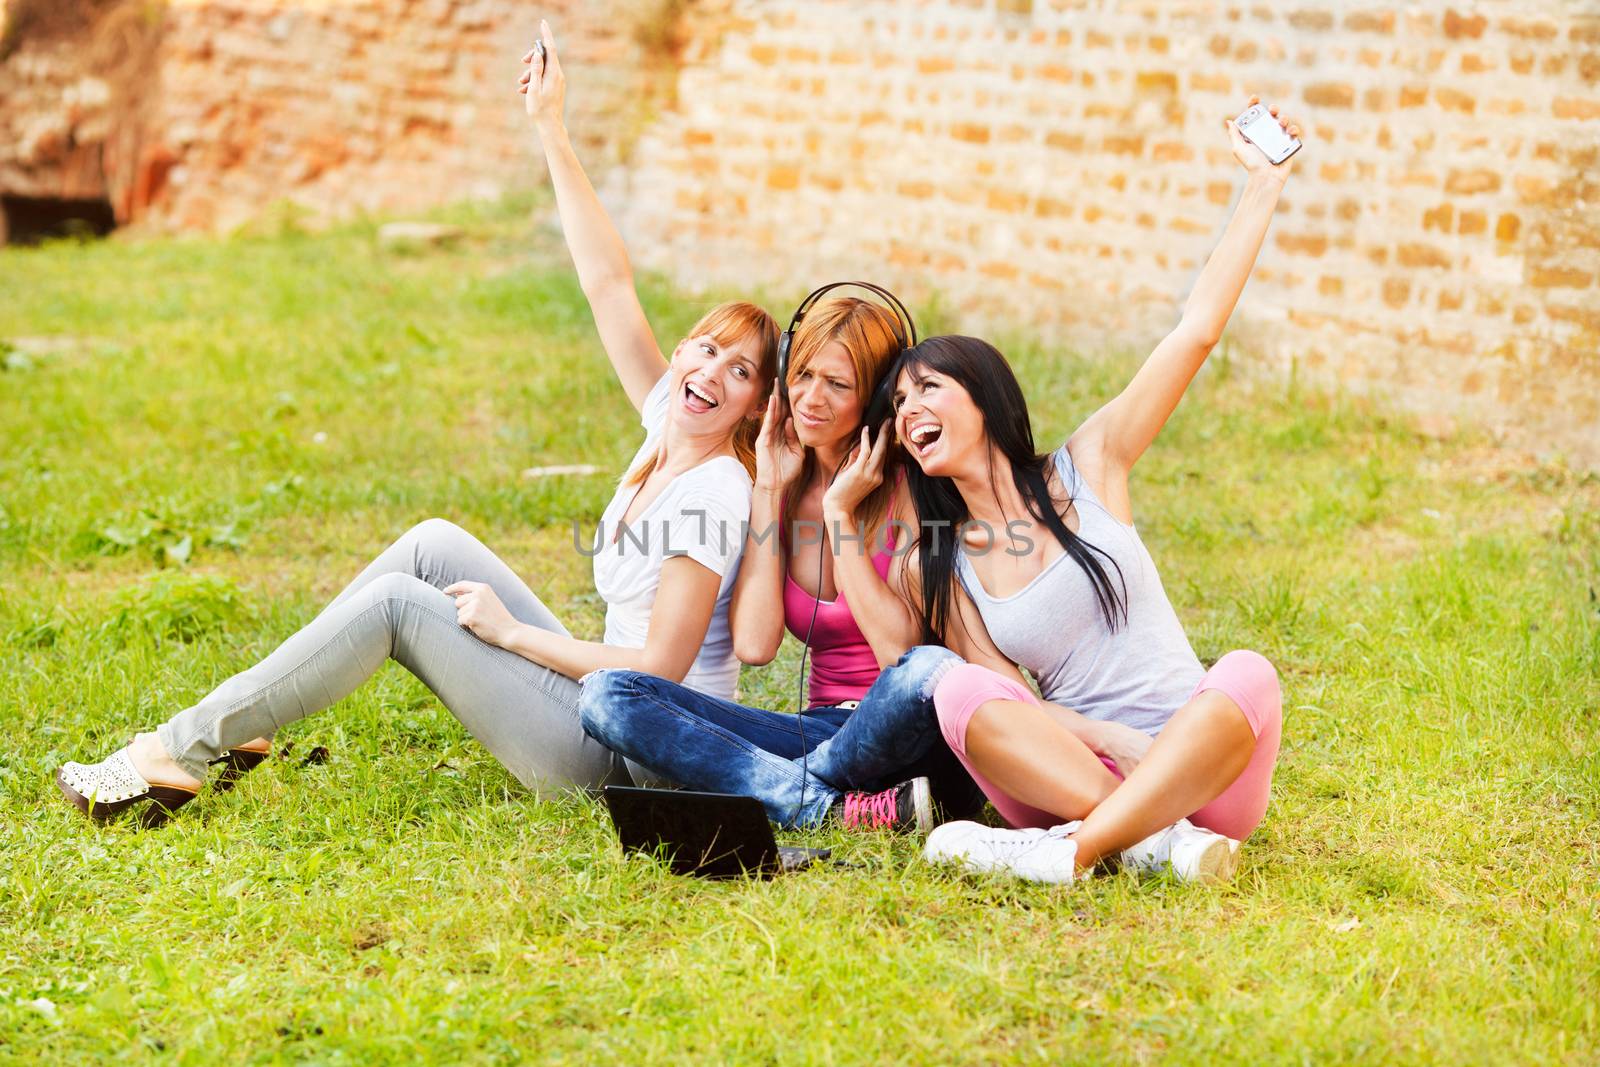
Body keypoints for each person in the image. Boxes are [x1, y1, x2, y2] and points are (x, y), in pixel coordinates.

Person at [54, 22, 778, 825]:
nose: (711, 372)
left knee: (400, 603)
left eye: (740, 371)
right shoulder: (666, 424)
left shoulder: (715, 488)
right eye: (706, 349)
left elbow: (659, 668)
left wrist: (510, 635)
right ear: (679, 351)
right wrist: (551, 127)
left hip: (629, 759)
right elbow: (608, 282)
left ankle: (179, 749)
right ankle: (242, 726)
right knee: (432, 541)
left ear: (753, 405)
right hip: (602, 705)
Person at [900, 99, 1301, 883]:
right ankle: (1156, 844)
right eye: (899, 408)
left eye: (928, 389)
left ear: (984, 394)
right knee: (957, 690)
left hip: (1203, 768)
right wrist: (1112, 742)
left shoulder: (1089, 465)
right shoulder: (939, 561)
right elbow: (1010, 704)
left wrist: (1264, 185)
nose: (911, 411)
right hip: (1077, 774)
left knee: (1247, 671)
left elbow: (1194, 332)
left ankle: (1084, 850)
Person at [580, 287, 984, 831]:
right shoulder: (778, 482)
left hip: (906, 726)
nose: (811, 399)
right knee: (611, 694)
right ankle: (827, 803)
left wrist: (841, 512)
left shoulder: (907, 487)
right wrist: (769, 489)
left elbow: (898, 655)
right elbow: (754, 644)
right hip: (820, 732)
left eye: (837, 385)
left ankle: (774, 783)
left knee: (928, 671)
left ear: (874, 398)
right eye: (803, 375)